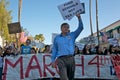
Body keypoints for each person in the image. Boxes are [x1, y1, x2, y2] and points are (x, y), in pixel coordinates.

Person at [51, 14, 83, 80]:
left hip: (71, 59)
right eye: (65, 27)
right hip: (61, 60)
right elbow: (54, 50)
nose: (66, 28)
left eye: (68, 27)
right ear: (61, 29)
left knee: (70, 78)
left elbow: (81, 28)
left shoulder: (72, 35)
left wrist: (79, 18)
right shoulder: (57, 38)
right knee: (64, 78)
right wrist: (53, 61)